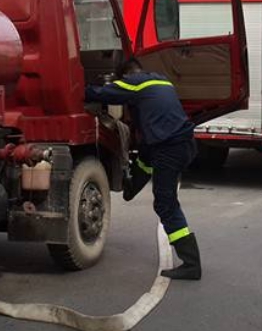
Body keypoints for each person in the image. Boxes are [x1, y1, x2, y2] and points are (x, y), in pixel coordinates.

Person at [85, 58, 201, 280]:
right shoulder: (162, 81)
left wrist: (77, 89)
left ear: (126, 76)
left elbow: (100, 93)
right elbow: (147, 144)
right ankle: (131, 189)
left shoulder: (134, 83)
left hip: (169, 147)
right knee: (146, 160)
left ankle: (191, 263)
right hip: (183, 143)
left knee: (165, 203)